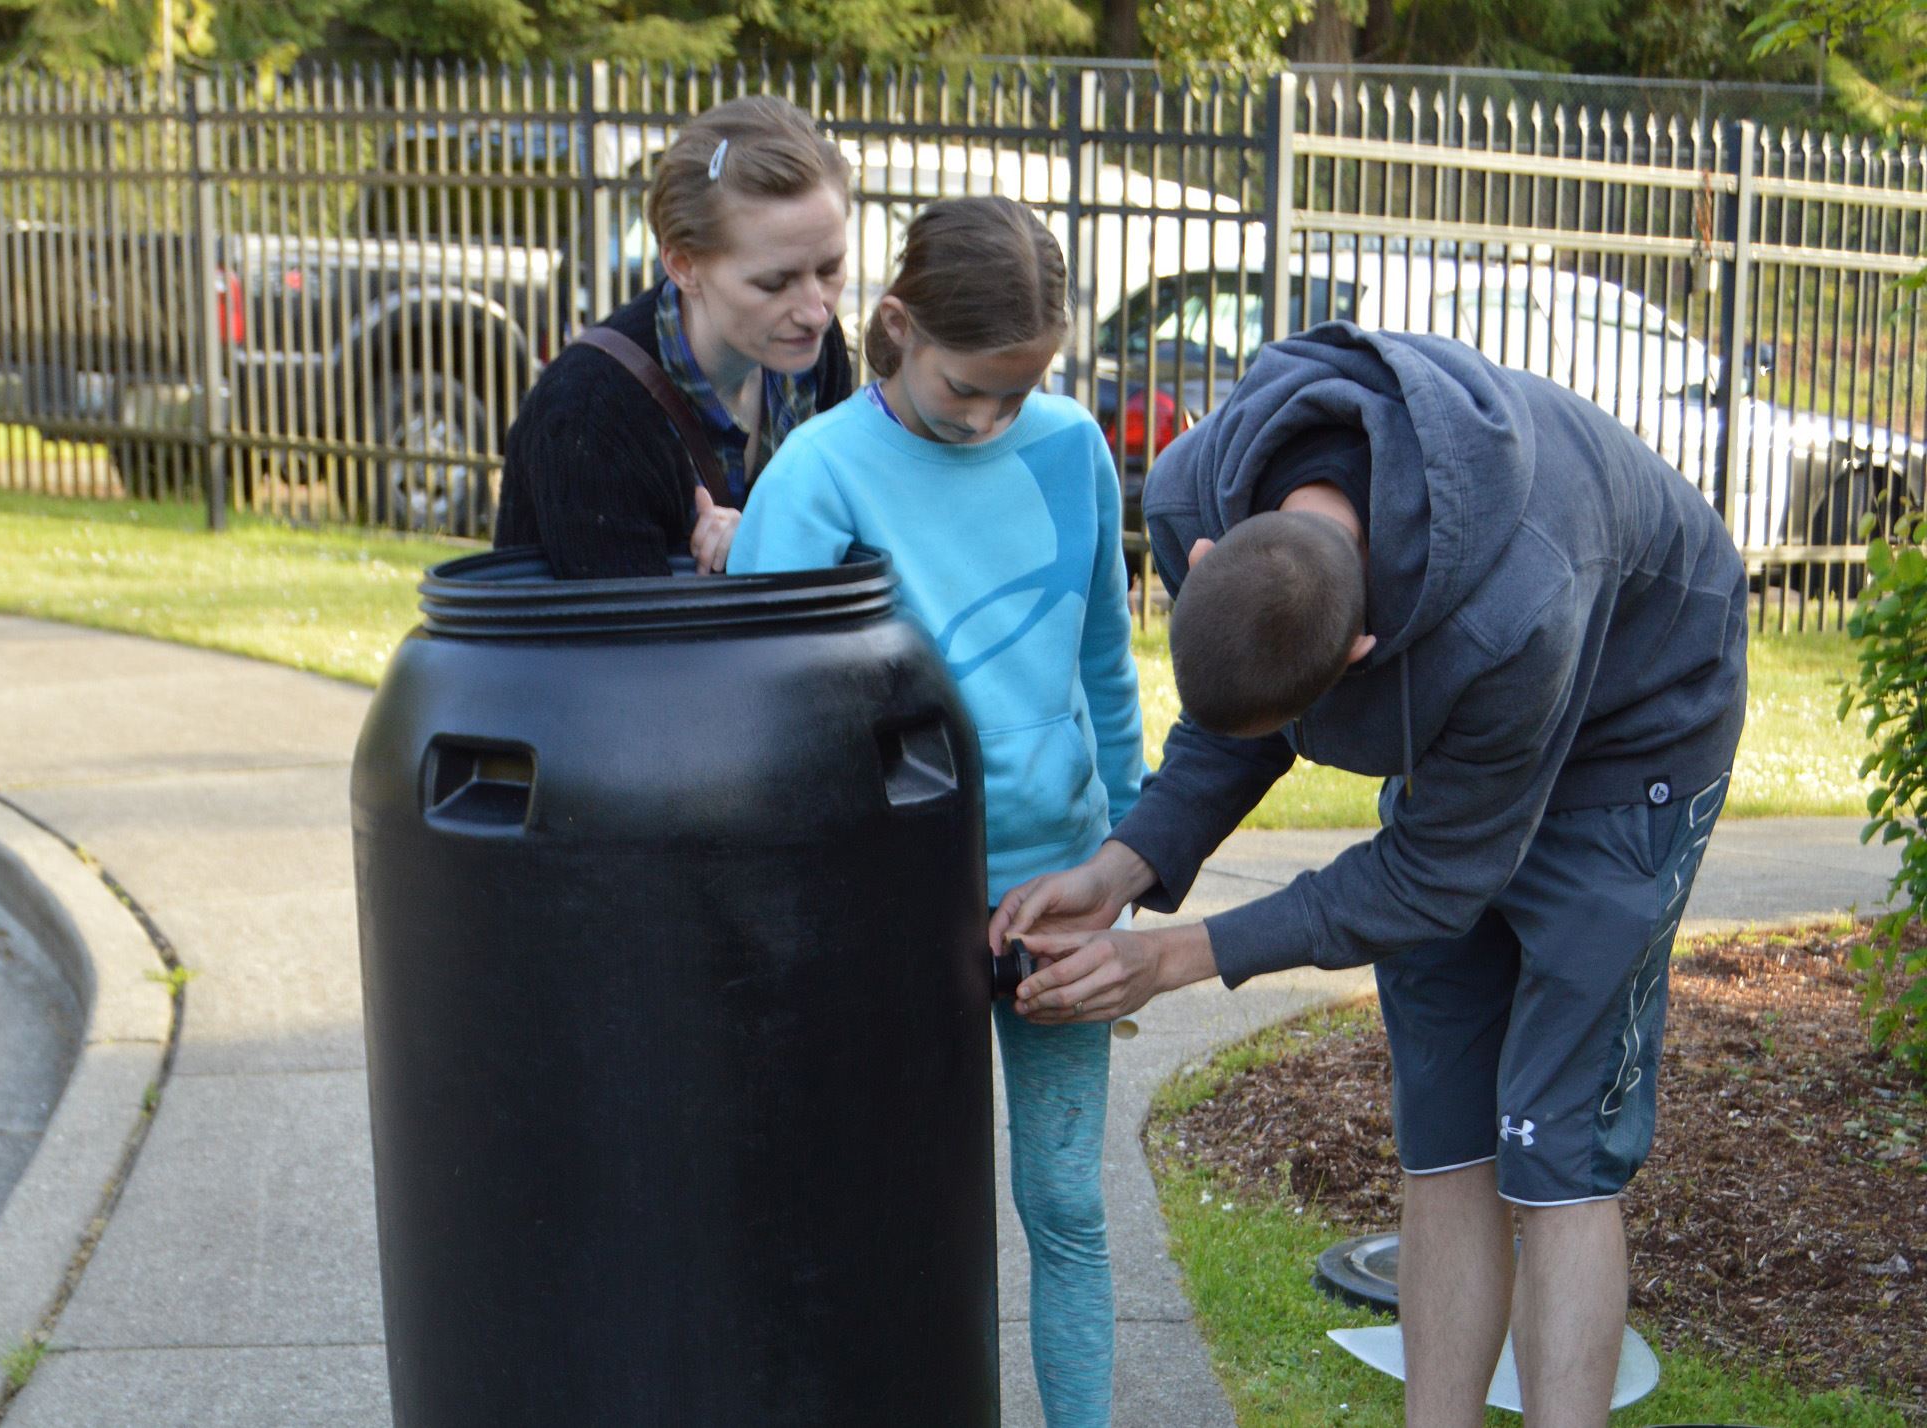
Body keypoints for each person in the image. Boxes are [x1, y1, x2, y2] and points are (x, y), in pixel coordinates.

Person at [991, 323, 1748, 1428]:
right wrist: (1124, 864)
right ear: (1203, 559)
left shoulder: (1507, 614)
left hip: (1630, 736)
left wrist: (1172, 958)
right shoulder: (1198, 497)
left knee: (1551, 1145)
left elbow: (1434, 876)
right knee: (1444, 1130)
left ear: (1362, 652)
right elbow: (1240, 704)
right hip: (1475, 729)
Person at [728, 195, 1142, 1428]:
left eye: (1019, 391)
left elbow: (1105, 665)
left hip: (1059, 896)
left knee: (1065, 1205)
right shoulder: (814, 476)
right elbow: (770, 727)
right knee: (898, 1208)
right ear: (896, 326)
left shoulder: (1070, 448)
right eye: (969, 389)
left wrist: (1125, 872)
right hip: (888, 915)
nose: (991, 418)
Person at [493, 95, 856, 578]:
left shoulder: (813, 357)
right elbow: (629, 643)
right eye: (775, 282)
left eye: (830, 269)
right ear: (683, 266)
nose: (816, 311)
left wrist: (759, 539)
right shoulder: (589, 413)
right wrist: (750, 558)